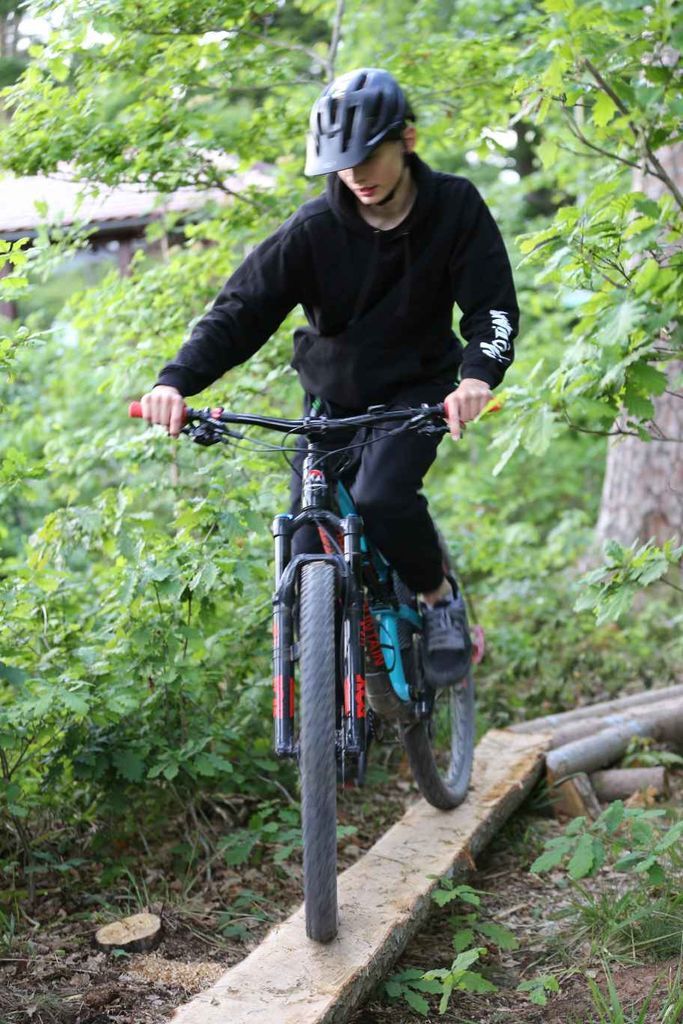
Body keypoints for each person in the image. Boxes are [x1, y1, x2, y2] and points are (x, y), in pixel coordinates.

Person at [140, 67, 519, 688]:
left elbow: (492, 308)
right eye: (342, 164)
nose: (356, 175)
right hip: (331, 397)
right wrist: (175, 381)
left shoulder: (454, 208)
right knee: (303, 539)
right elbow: (241, 311)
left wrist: (476, 376)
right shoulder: (314, 229)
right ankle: (329, 705)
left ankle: (438, 599)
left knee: (381, 498)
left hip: (418, 390)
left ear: (407, 141)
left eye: (368, 157)